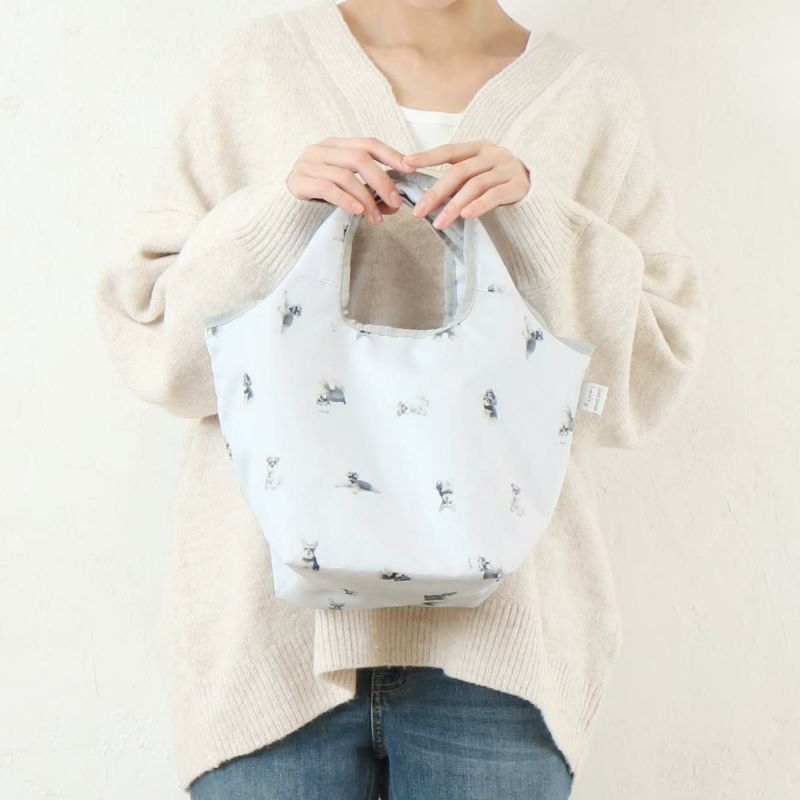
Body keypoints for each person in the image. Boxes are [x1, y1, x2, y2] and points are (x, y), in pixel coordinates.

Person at [92, 1, 709, 798]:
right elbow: (156, 347)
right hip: (270, 650)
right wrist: (281, 215)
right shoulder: (257, 70)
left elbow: (646, 378)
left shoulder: (590, 98)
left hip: (502, 653)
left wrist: (541, 223)